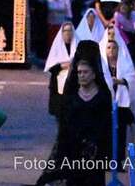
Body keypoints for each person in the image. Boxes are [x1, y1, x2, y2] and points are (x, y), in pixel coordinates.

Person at [38, 41, 112, 186]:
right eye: (79, 72)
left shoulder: (103, 95)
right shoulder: (71, 95)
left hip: (94, 155)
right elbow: (64, 126)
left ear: (94, 73)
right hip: (73, 152)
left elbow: (106, 126)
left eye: (86, 72)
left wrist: (99, 149)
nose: (82, 76)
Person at [100, 28, 135, 163]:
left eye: (114, 48)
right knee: (106, 133)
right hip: (105, 105)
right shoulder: (101, 64)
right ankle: (106, 159)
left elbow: (131, 77)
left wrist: (120, 81)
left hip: (121, 104)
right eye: (108, 48)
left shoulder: (124, 62)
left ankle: (119, 160)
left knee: (121, 133)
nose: (111, 50)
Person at [43, 22, 77, 117]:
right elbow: (51, 67)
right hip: (57, 86)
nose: (67, 33)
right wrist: (62, 66)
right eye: (65, 31)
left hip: (72, 84)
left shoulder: (77, 45)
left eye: (70, 30)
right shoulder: (57, 47)